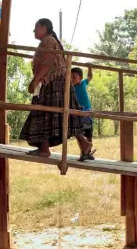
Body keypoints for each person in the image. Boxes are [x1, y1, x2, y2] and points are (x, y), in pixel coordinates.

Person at [20, 18, 95, 161]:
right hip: (57, 83)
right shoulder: (50, 41)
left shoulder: (47, 40)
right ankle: (82, 144)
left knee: (45, 112)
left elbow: (47, 63)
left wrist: (35, 80)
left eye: (36, 28)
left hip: (54, 84)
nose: (34, 31)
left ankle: (46, 148)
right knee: (59, 114)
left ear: (43, 26)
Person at [71, 67, 94, 143]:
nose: (72, 79)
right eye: (70, 77)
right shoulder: (70, 87)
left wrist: (89, 67)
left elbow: (90, 77)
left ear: (80, 78)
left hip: (87, 110)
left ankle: (88, 151)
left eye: (74, 77)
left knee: (88, 132)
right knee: (79, 132)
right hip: (77, 111)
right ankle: (83, 151)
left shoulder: (83, 83)